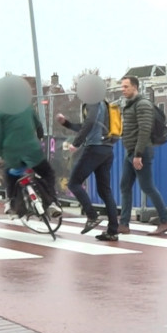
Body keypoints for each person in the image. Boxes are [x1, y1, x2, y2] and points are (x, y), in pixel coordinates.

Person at [57, 77, 119, 240]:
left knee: (74, 183)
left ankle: (92, 216)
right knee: (104, 191)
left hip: (94, 149)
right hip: (107, 149)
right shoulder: (103, 104)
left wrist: (76, 144)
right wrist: (66, 123)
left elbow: (89, 123)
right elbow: (87, 126)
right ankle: (113, 231)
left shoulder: (92, 102)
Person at [117, 75, 167, 236]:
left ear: (135, 87)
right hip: (131, 151)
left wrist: (138, 154)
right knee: (125, 186)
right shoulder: (130, 104)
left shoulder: (142, 105)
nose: (123, 89)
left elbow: (144, 130)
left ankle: (165, 220)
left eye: (126, 86)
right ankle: (124, 224)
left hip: (140, 152)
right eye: (122, 86)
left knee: (147, 186)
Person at [0, 104, 62, 219]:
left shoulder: (0, 113)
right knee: (47, 173)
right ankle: (53, 202)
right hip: (32, 150)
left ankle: (10, 203)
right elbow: (39, 127)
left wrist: (0, 155)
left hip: (12, 152)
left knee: (11, 176)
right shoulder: (27, 108)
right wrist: (39, 139)